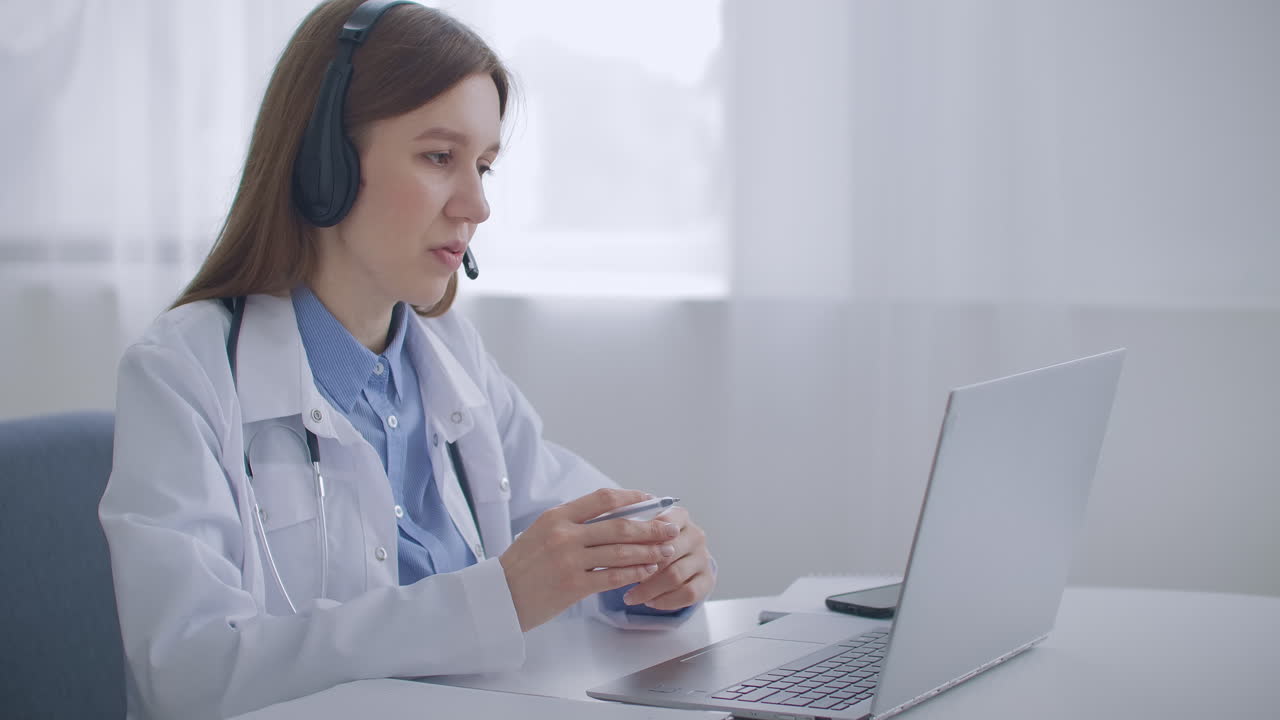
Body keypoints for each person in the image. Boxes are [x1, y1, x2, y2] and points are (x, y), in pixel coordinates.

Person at [97, 1, 715, 718]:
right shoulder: (183, 373)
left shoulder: (452, 357)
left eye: (484, 166)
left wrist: (648, 566)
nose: (476, 205)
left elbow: (560, 531)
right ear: (324, 164)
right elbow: (188, 674)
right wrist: (491, 601)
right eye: (439, 157)